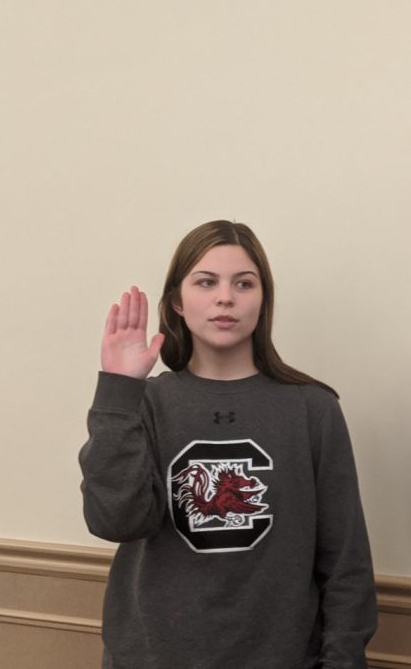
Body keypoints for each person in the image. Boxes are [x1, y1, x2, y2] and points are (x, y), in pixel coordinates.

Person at [79, 220, 376, 668]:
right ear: (177, 301)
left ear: (263, 300)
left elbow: (345, 562)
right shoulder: (146, 403)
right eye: (206, 282)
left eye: (244, 283)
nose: (225, 297)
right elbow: (114, 522)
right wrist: (119, 391)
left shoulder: (313, 409)